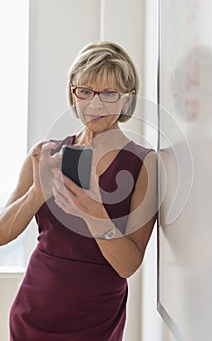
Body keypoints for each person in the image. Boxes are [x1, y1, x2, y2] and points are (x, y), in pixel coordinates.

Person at [0, 41, 157, 340]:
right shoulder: (46, 154)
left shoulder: (143, 164)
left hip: (96, 317)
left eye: (108, 94)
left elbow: (128, 265)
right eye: (84, 91)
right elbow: (2, 233)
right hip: (34, 309)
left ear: (127, 100)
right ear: (72, 92)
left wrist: (94, 212)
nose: (94, 105)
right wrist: (38, 192)